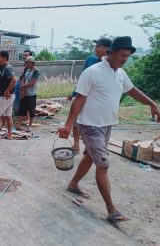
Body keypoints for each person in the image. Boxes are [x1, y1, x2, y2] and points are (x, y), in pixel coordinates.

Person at [57, 36, 160, 223]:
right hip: (90, 126)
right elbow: (79, 99)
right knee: (103, 164)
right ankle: (112, 209)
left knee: (90, 156)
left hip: (106, 125)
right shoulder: (92, 72)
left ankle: (73, 184)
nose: (124, 59)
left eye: (127, 56)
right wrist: (68, 124)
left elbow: (132, 90)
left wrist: (152, 104)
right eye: (122, 55)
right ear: (110, 52)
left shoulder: (120, 73)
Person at [67, 37, 112, 153]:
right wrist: (73, 93)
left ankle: (91, 147)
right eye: (96, 46)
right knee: (76, 121)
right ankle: (76, 144)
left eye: (98, 46)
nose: (95, 48)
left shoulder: (110, 64)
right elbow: (83, 79)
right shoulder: (90, 60)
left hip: (97, 100)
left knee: (94, 123)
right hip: (82, 96)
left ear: (106, 49)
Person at [15, 56, 39, 132]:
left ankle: (30, 126)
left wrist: (23, 86)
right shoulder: (26, 70)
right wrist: (22, 88)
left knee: (31, 110)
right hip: (24, 93)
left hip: (31, 94)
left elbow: (32, 83)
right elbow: (22, 79)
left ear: (31, 63)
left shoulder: (36, 71)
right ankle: (19, 125)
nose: (25, 64)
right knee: (22, 109)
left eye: (27, 62)